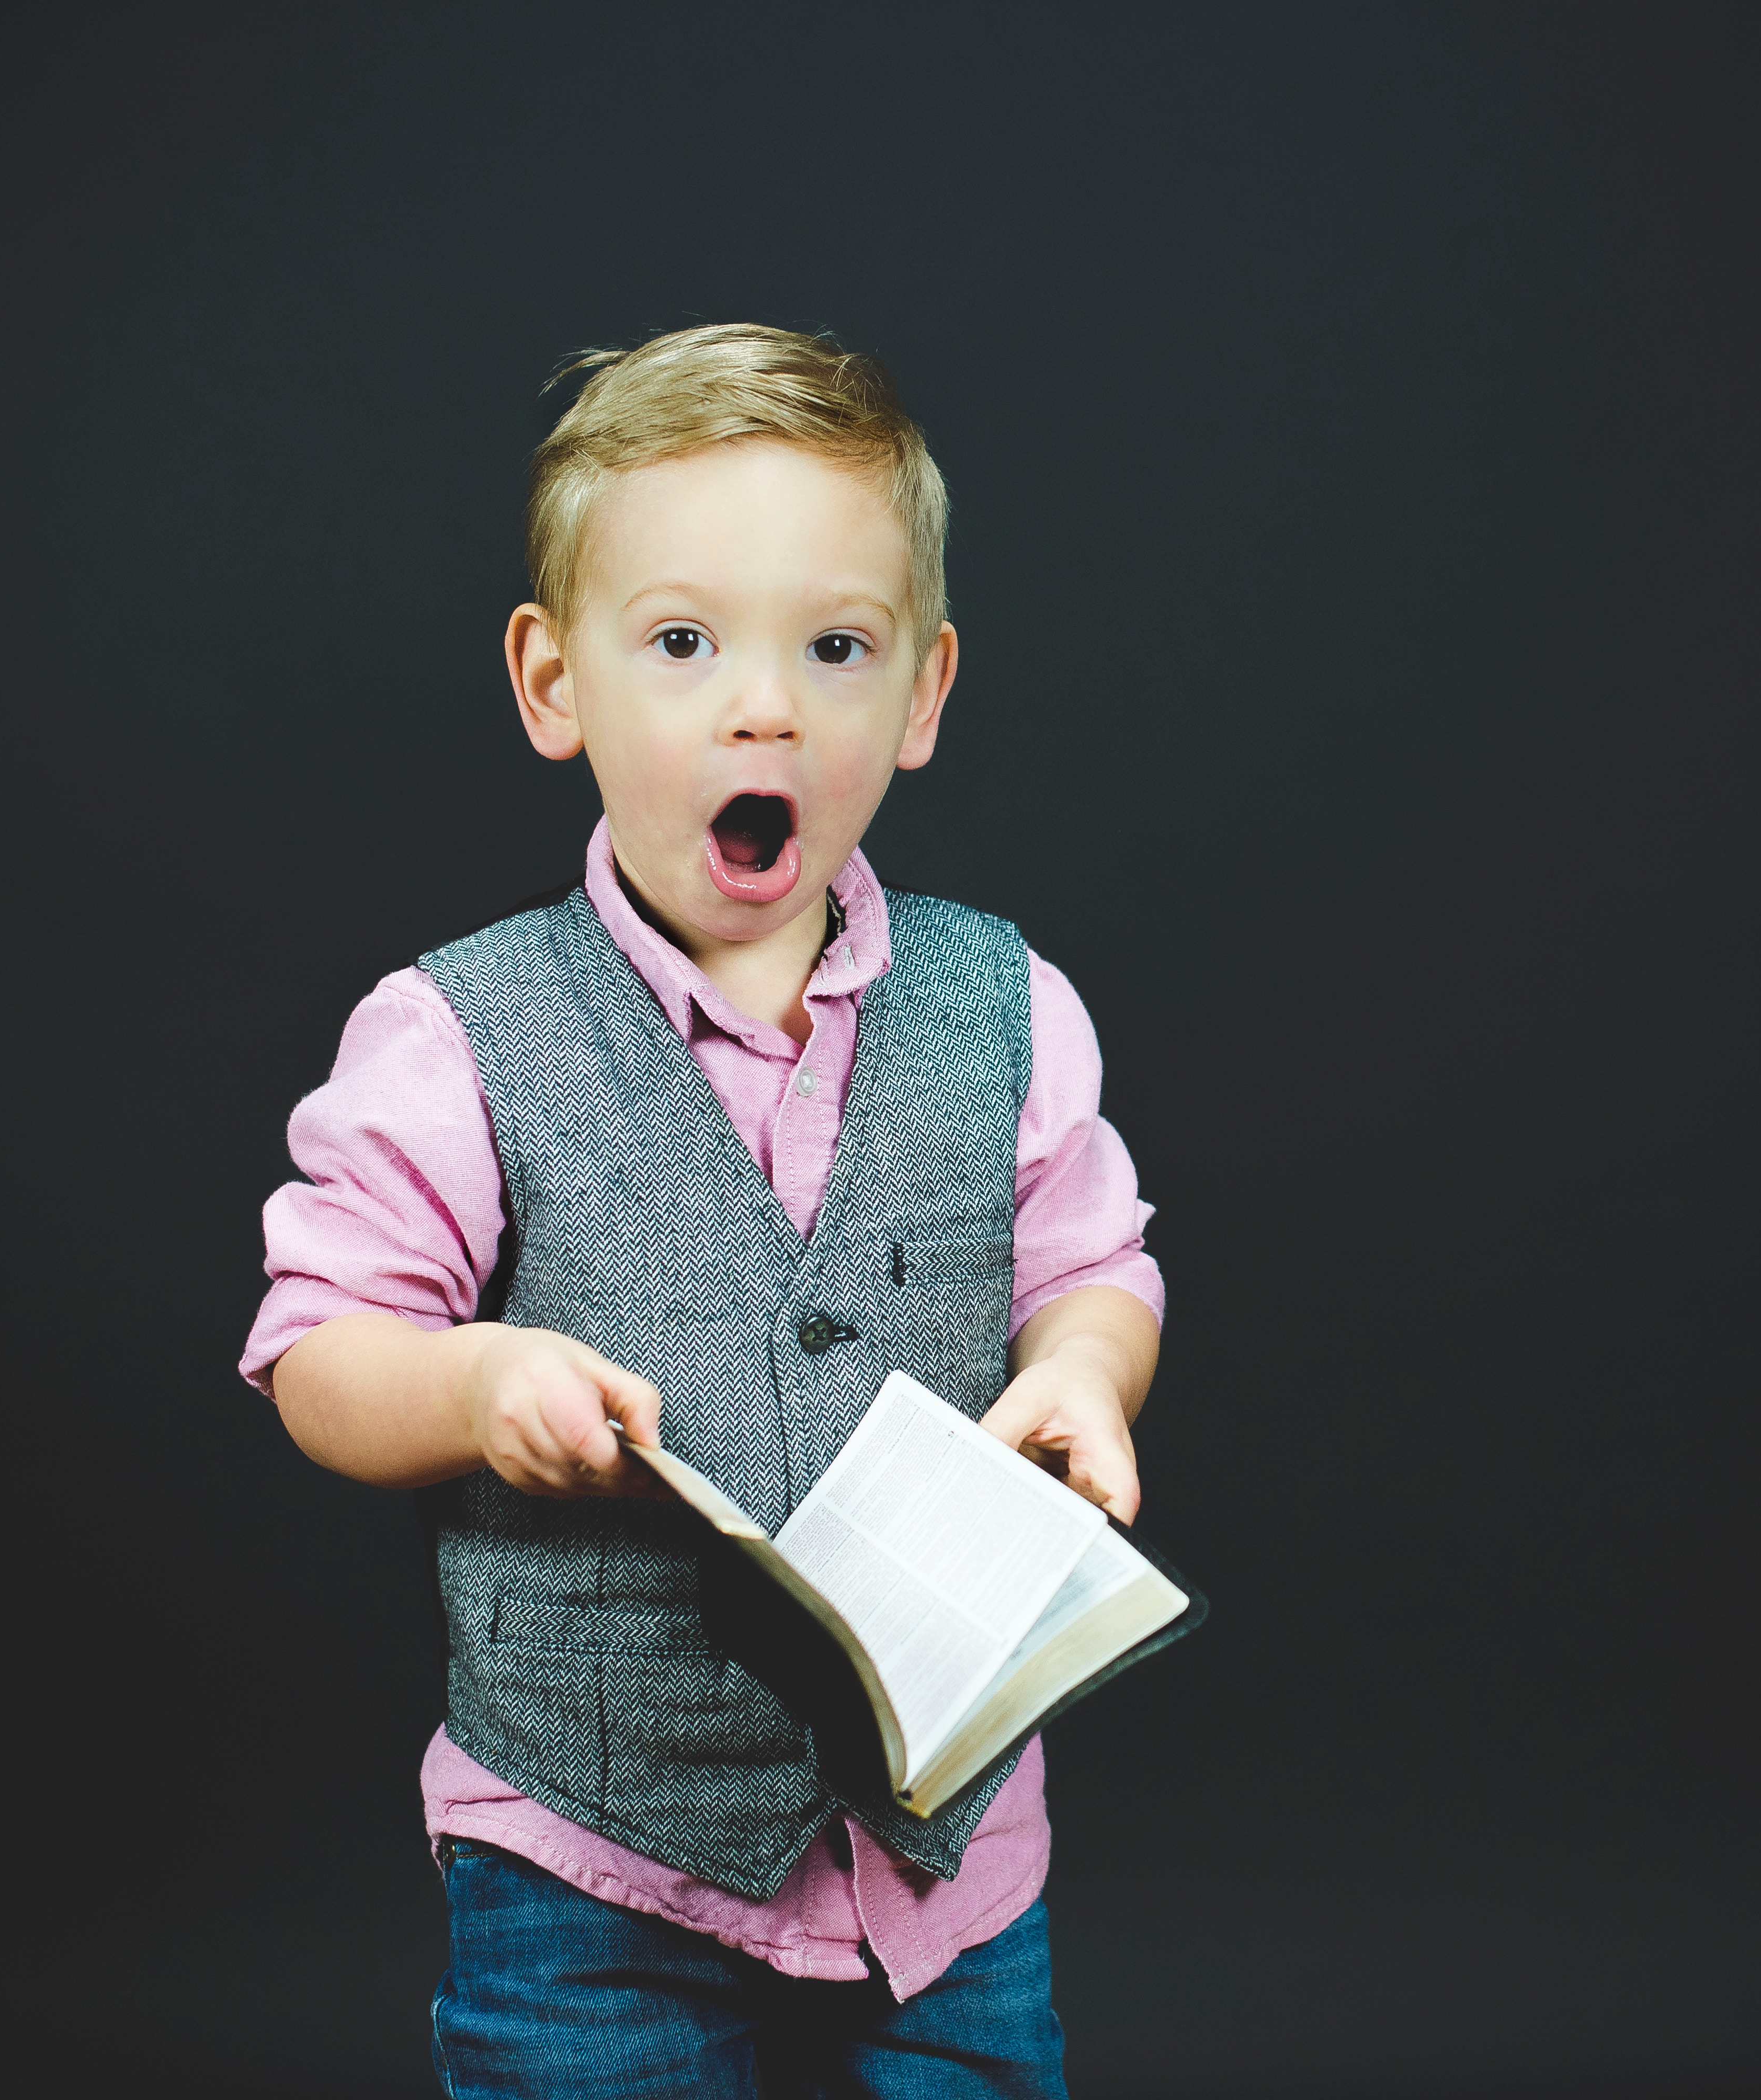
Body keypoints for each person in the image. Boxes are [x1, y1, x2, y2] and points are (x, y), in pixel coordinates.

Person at [242, 324, 1164, 2099]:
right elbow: (315, 1353)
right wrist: (470, 1384)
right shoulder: (457, 1034)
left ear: (922, 697)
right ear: (552, 683)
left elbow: (1094, 1264)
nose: (768, 707)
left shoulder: (1009, 1006)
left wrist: (1088, 1372)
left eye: (836, 648)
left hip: (947, 1873)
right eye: (683, 644)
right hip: (591, 1863)